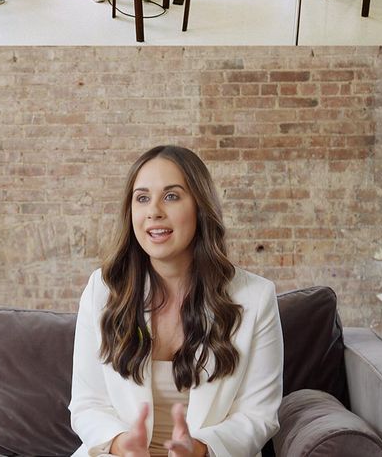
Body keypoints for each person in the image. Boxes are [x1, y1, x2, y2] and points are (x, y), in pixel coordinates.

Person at [69, 145, 283, 457]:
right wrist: (119, 444)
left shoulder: (256, 297)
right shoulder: (102, 290)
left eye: (171, 196)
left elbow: (258, 416)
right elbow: (86, 404)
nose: (154, 210)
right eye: (142, 198)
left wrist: (198, 449)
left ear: (200, 206)